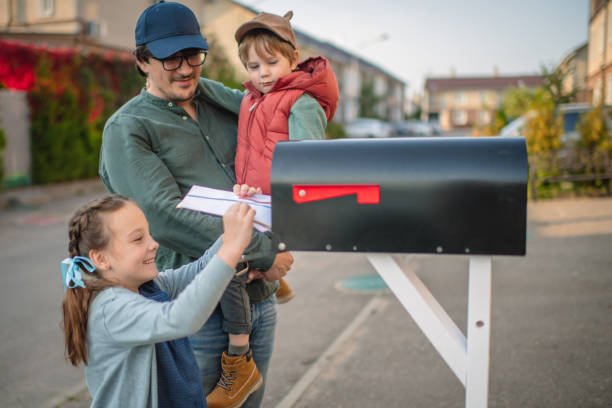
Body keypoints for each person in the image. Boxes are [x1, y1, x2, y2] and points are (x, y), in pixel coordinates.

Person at [98, 2, 293, 406]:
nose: (185, 68)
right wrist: (262, 252)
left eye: (192, 55)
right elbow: (164, 215)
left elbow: (269, 147)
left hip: (258, 298)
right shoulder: (128, 128)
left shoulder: (220, 102)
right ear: (142, 61)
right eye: (170, 58)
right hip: (197, 311)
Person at [205, 10, 339, 407]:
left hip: (280, 205)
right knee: (230, 245)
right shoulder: (253, 98)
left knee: (234, 265)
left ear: (293, 58)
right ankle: (274, 278)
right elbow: (224, 98)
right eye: (253, 65)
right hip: (254, 199)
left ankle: (239, 359)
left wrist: (283, 217)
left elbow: (309, 166)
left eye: (271, 62)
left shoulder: (301, 102)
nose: (262, 72)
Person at [60, 195, 255, 407]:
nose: (153, 244)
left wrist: (242, 215)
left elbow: (200, 270)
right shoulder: (111, 308)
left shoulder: (146, 288)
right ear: (101, 259)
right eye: (137, 239)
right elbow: (180, 319)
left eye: (149, 234)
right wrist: (232, 247)